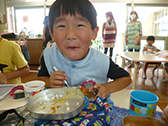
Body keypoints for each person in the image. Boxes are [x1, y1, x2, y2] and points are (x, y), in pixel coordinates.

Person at [38, 0, 132, 100]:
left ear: (94, 33)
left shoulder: (102, 61)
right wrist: (49, 82)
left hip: (94, 112)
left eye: (80, 25)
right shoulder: (48, 55)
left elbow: (126, 78)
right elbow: (41, 78)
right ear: (52, 34)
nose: (71, 35)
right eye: (61, 26)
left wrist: (107, 88)